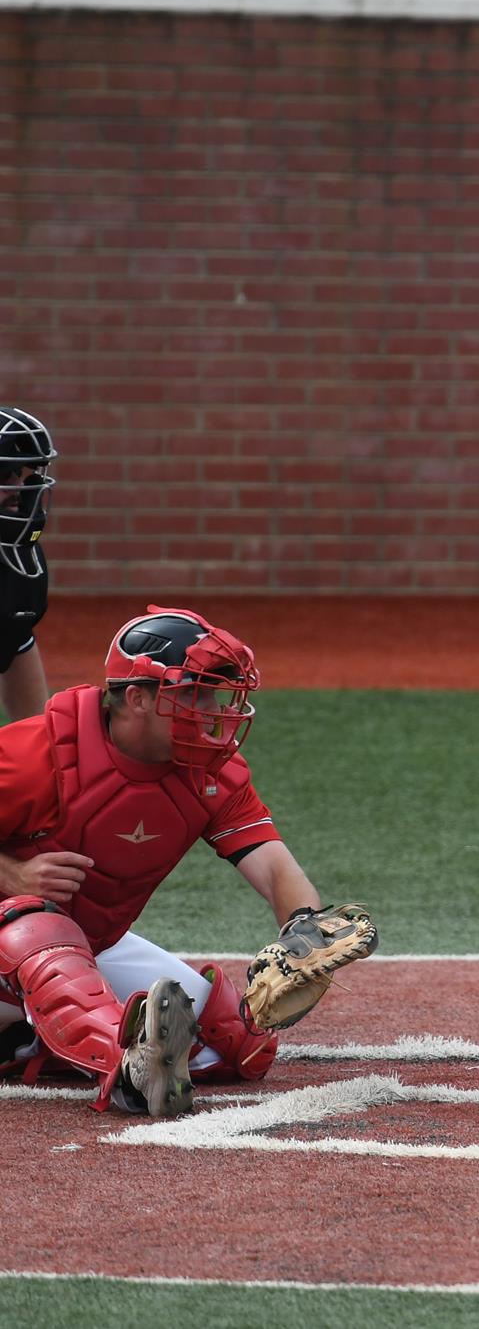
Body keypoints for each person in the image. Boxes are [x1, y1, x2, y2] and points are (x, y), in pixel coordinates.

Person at [0, 606, 342, 1117]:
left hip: (80, 948)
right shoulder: (40, 753)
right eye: (194, 694)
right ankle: (126, 1068)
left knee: (235, 1044)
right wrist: (14, 874)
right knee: (40, 927)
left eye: (213, 695)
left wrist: (304, 929)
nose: (211, 710)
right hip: (24, 942)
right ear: (138, 698)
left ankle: (30, 1039)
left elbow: (274, 867)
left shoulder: (209, 773)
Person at [0, 406, 57, 723]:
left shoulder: (18, 563)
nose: (19, 487)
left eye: (18, 473)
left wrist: (41, 744)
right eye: (2, 474)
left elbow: (33, 723)